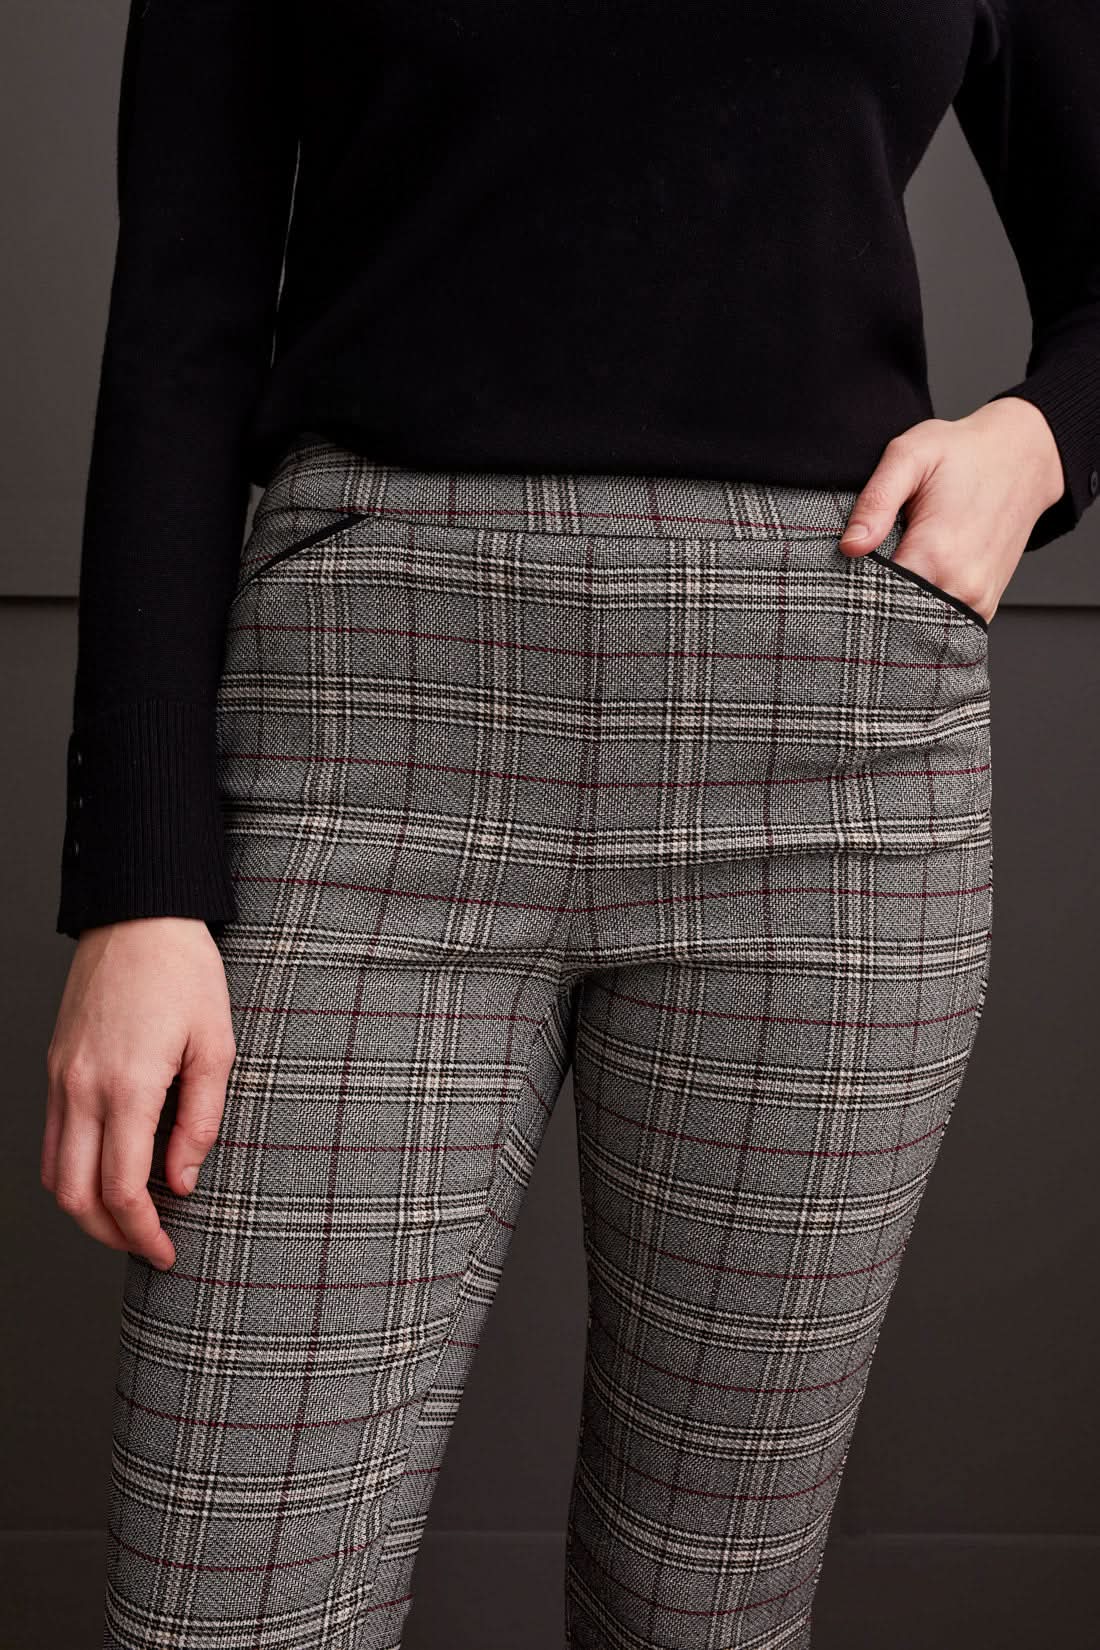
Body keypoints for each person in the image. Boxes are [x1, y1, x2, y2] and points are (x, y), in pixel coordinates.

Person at [41, 3, 1099, 1647]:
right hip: (361, 749)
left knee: (705, 1610)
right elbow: (178, 327)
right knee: (221, 1604)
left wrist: (1041, 441)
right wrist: (140, 883)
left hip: (825, 781)